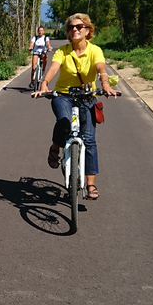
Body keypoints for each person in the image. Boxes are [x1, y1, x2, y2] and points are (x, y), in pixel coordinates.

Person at [31, 13, 117, 200]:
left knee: (89, 140)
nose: (75, 30)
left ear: (87, 30)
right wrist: (44, 83)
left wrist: (106, 84)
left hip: (87, 97)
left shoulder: (95, 50)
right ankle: (56, 146)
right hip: (63, 95)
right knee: (64, 121)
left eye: (79, 26)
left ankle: (91, 183)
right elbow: (53, 68)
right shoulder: (63, 51)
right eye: (71, 27)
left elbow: (101, 68)